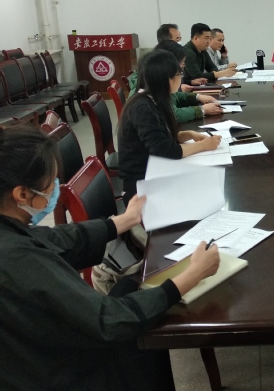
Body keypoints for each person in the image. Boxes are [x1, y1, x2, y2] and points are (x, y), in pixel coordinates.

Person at [0, 125, 221, 390]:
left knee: (132, 286)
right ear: (22, 194)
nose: (54, 189)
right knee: (143, 328)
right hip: (53, 372)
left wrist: (124, 220)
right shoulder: (19, 260)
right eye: (51, 184)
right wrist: (192, 275)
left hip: (33, 349)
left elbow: (57, 238)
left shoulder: (10, 232)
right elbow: (108, 320)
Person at [118, 49, 222, 205]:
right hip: (141, 187)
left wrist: (188, 134)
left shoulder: (155, 99)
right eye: (179, 74)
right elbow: (165, 151)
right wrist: (203, 145)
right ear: (167, 79)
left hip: (156, 172)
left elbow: (160, 137)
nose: (181, 78)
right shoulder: (142, 108)